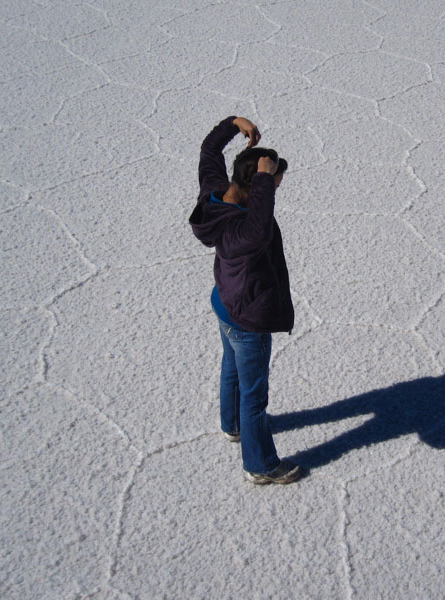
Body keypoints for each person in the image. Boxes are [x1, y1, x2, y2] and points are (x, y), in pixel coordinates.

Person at [189, 115, 300, 485]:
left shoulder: (217, 192)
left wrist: (233, 124)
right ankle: (261, 466)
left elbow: (209, 151)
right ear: (256, 187)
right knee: (255, 397)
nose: (275, 191)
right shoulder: (242, 230)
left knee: (231, 368)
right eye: (273, 186)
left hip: (225, 301)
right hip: (246, 317)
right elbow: (258, 230)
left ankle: (232, 425)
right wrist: (267, 180)